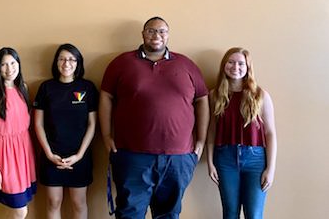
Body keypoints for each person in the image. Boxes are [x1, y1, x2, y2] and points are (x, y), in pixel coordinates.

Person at [99, 16, 210, 219]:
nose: (156, 35)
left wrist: (201, 140)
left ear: (168, 35)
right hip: (132, 155)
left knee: (168, 214)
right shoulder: (121, 63)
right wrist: (106, 135)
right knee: (129, 213)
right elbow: (106, 96)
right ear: (143, 34)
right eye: (151, 30)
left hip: (178, 157)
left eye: (161, 31)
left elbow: (202, 99)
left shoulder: (186, 65)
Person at [206, 47, 277, 219]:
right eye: (230, 62)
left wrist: (271, 168)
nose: (235, 67)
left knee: (254, 214)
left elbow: (270, 133)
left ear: (248, 67)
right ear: (224, 65)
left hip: (256, 160)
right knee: (230, 213)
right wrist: (210, 162)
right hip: (225, 159)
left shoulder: (260, 95)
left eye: (240, 63)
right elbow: (211, 131)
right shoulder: (214, 95)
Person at [34, 43, 99, 219]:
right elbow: (38, 124)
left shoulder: (87, 88)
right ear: (56, 62)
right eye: (62, 59)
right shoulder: (46, 88)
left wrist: (79, 155)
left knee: (79, 203)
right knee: (53, 202)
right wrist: (49, 154)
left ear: (78, 63)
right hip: (51, 156)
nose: (66, 63)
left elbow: (93, 124)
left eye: (71, 59)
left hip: (80, 156)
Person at [0, 47, 37, 219]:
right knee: (21, 211)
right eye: (4, 64)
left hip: (24, 154)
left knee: (16, 209)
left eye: (13, 63)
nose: (9, 68)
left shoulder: (23, 89)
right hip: (4, 157)